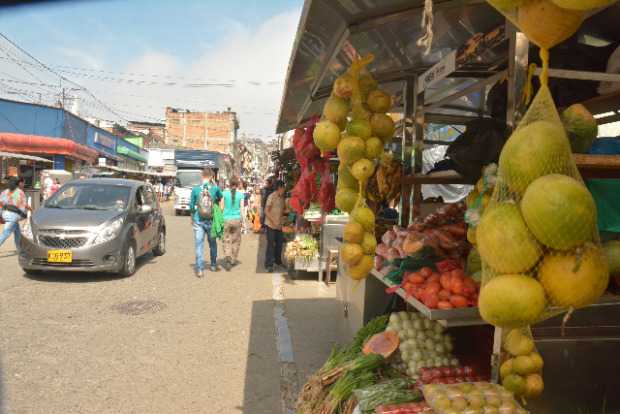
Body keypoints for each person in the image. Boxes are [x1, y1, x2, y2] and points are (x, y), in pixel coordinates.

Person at [189, 168, 223, 277]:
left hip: (198, 220)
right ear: (211, 177)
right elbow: (221, 198)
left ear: (202, 176)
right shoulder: (215, 188)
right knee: (212, 244)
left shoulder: (195, 189)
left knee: (199, 245)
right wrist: (219, 210)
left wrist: (192, 217)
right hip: (211, 221)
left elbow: (191, 206)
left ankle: (199, 269)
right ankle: (213, 265)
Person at [221, 177, 245, 271]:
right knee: (236, 240)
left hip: (226, 219)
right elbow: (242, 209)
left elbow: (222, 207)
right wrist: (243, 221)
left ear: (229, 184)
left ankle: (227, 256)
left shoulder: (224, 194)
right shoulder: (241, 195)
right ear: (238, 184)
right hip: (236, 220)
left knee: (226, 239)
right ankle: (233, 259)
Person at [0, 177, 29, 251]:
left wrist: (0, 214)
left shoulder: (5, 191)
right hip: (13, 215)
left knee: (17, 232)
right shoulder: (19, 192)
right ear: (19, 183)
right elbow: (23, 205)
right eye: (23, 183)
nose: (23, 184)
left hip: (5, 213)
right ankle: (20, 249)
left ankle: (19, 250)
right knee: (5, 234)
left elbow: (1, 203)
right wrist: (28, 212)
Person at [264, 180, 286, 272]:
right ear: (279, 188)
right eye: (283, 188)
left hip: (279, 225)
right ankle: (269, 264)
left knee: (279, 244)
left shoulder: (282, 198)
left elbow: (283, 210)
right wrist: (273, 221)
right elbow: (266, 211)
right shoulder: (271, 197)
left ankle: (278, 261)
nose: (284, 189)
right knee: (270, 245)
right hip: (271, 225)